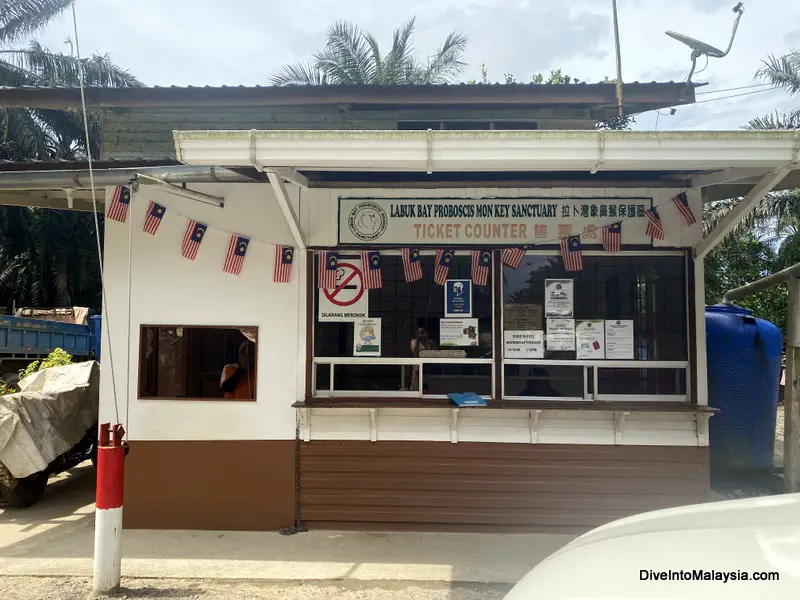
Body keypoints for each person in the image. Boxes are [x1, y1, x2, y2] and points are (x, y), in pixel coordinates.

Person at [410, 327, 437, 392]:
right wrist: (418, 340)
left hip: (428, 364)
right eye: (419, 333)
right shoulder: (413, 341)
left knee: (427, 382)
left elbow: (435, 349)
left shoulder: (429, 341)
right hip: (417, 364)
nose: (421, 335)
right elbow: (414, 351)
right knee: (417, 382)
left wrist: (427, 340)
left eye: (422, 333)